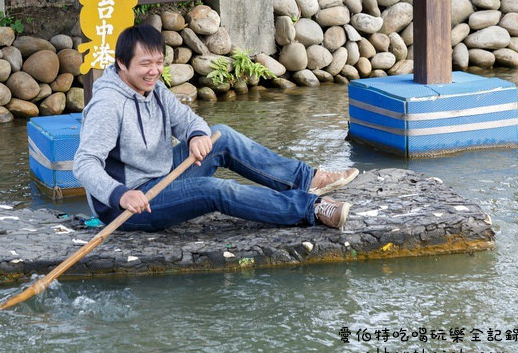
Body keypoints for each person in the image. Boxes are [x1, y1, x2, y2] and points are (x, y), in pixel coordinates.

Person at [73, 24, 359, 232]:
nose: (154, 70)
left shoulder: (154, 89)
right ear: (121, 63)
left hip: (161, 178)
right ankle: (310, 208)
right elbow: (85, 164)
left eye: (159, 62)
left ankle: (307, 180)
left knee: (220, 134)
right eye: (145, 63)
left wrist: (196, 135)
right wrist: (120, 194)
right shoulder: (108, 104)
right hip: (130, 205)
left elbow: (187, 120)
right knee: (213, 190)